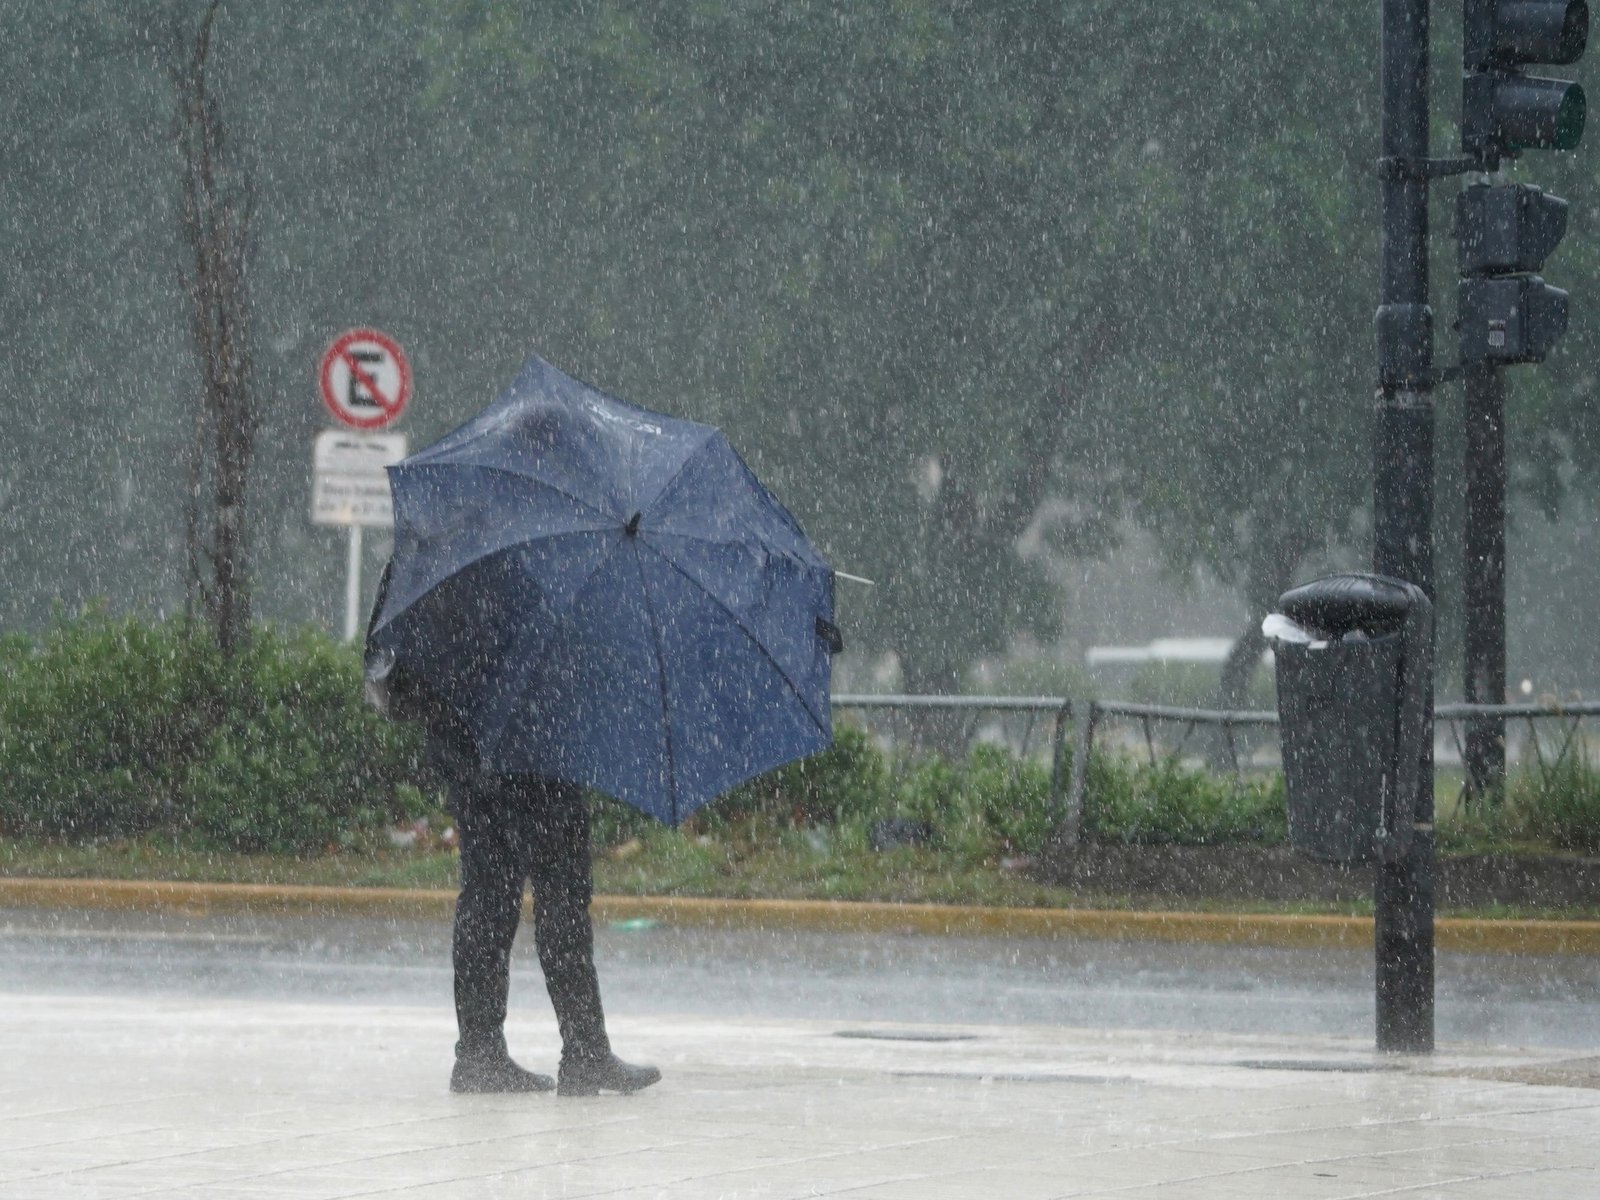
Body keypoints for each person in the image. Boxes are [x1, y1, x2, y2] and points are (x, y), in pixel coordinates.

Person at [365, 563, 661, 1097]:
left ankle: (479, 1053)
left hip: (463, 742)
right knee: (561, 891)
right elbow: (547, 645)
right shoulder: (526, 560)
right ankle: (584, 1051)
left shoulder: (436, 553)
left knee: (488, 892)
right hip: (530, 740)